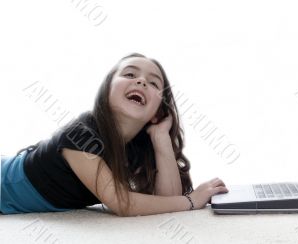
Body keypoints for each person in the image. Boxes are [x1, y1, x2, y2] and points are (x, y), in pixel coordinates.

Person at [0, 52, 229, 216]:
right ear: (106, 90)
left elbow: (166, 199)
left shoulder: (138, 146)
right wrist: (192, 200)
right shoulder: (82, 132)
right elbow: (122, 203)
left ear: (157, 112)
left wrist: (161, 137)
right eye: (129, 74)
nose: (141, 80)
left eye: (153, 83)